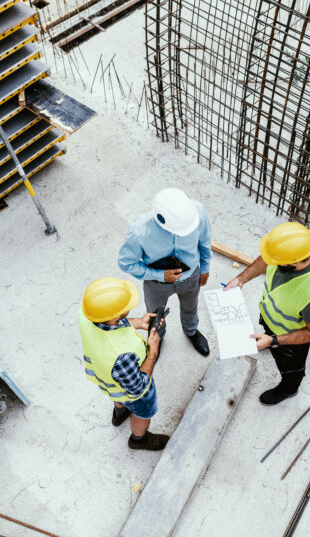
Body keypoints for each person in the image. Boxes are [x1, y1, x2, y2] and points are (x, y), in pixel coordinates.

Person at [225, 222, 310, 405]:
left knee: (291, 367)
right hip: (271, 320)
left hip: (290, 340)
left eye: (277, 260)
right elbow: (267, 259)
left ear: (296, 261)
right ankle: (268, 340)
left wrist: (274, 340)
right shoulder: (286, 257)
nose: (272, 262)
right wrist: (241, 279)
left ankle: (289, 388)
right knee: (266, 335)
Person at [118, 187, 212, 356]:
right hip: (157, 285)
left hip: (191, 277)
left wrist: (205, 267)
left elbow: (205, 240)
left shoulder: (196, 213)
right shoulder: (140, 231)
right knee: (155, 315)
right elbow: (126, 263)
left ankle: (191, 331)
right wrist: (159, 275)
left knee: (191, 307)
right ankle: (157, 338)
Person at [78, 277, 169, 451]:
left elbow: (107, 325)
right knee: (142, 411)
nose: (129, 307)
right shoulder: (122, 356)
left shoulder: (86, 313)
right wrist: (153, 351)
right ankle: (139, 439)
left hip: (105, 379)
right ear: (114, 316)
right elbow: (138, 387)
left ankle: (119, 414)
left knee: (118, 397)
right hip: (133, 391)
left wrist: (136, 323)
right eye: (125, 308)